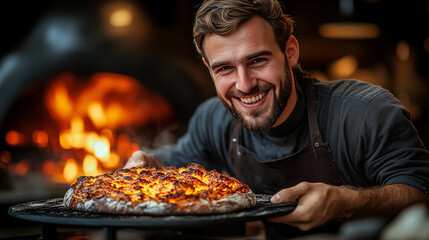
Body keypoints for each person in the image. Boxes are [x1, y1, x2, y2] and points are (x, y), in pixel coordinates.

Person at [125, 0, 429, 238]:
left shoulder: (364, 112)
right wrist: (148, 166)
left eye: (257, 60)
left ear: (291, 51)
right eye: (225, 69)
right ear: (208, 68)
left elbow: (421, 190)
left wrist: (344, 202)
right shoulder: (213, 119)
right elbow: (173, 165)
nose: (244, 85)